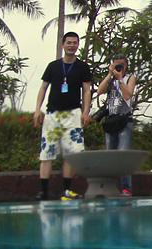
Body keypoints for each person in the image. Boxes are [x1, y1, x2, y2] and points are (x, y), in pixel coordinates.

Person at [33, 32, 94, 202]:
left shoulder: (82, 67)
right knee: (47, 153)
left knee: (71, 154)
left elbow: (87, 90)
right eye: (69, 43)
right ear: (63, 45)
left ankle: (66, 191)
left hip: (73, 115)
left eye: (75, 43)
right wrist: (37, 109)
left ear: (78, 45)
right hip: (52, 115)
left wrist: (86, 112)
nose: (71, 46)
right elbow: (43, 88)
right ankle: (44, 192)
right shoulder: (53, 66)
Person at [95, 54, 137, 196]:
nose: (119, 67)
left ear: (126, 66)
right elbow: (99, 91)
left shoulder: (130, 77)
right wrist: (110, 74)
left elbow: (128, 95)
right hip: (111, 120)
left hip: (125, 120)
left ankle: (126, 187)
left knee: (123, 154)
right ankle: (110, 187)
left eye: (121, 65)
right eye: (116, 64)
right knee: (110, 155)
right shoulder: (111, 79)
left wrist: (120, 79)